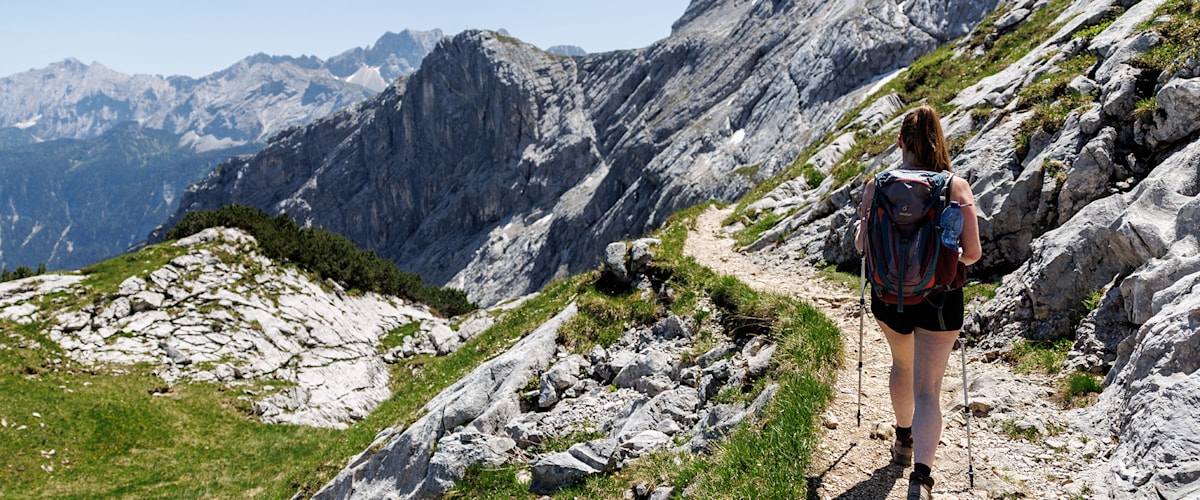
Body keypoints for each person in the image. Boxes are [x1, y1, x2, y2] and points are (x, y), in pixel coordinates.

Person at [854, 105, 981, 500]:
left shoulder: (877, 185)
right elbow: (973, 253)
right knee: (929, 389)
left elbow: (862, 247)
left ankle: (903, 440)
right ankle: (921, 478)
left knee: (901, 363)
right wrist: (940, 263)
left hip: (889, 297)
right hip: (941, 302)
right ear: (938, 140)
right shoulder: (954, 187)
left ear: (900, 141)